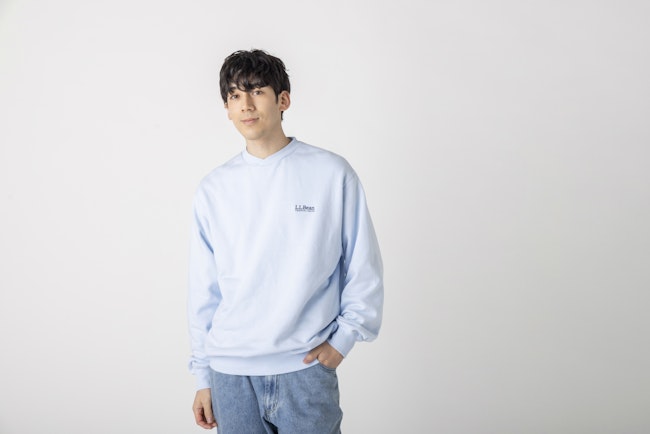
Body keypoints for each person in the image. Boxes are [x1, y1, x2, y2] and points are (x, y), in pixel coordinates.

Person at [187, 49, 384, 433]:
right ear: (227, 109)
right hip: (230, 376)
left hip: (304, 369)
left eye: (257, 91)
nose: (245, 105)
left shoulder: (331, 173)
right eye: (234, 95)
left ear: (283, 100)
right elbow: (203, 290)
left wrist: (342, 341)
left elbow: (363, 265)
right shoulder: (213, 189)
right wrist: (202, 376)